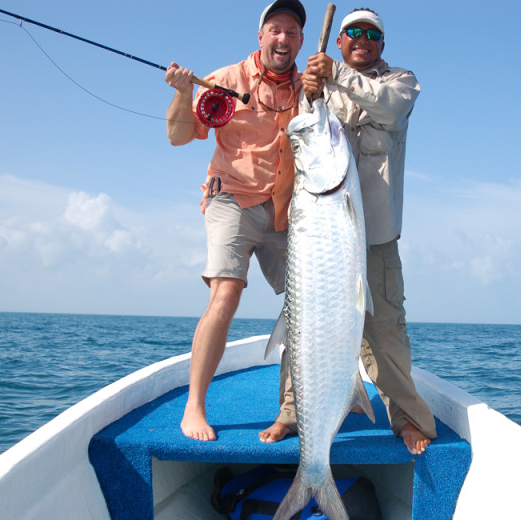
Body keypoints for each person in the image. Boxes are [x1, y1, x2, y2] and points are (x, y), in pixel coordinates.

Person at [259, 8, 437, 455]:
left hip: (374, 237)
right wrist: (311, 95)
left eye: (371, 33)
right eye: (352, 32)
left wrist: (336, 75)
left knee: (386, 331)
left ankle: (408, 417)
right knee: (302, 324)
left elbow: (391, 108)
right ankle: (292, 412)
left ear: (381, 43)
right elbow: (301, 137)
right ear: (338, 41)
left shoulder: (401, 81)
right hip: (320, 234)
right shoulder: (318, 93)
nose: (362, 38)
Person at [164, 0, 306, 441]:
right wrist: (183, 93)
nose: (283, 39)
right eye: (275, 30)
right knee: (226, 295)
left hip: (285, 207)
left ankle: (295, 409)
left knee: (308, 302)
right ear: (260, 36)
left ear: (300, 40)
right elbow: (178, 136)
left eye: (291, 32)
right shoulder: (225, 80)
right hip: (231, 200)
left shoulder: (310, 87)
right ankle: (194, 407)